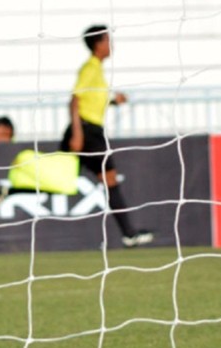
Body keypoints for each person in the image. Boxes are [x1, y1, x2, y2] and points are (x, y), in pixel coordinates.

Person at [61, 25, 153, 247]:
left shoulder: (97, 70)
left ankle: (8, 191)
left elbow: (91, 101)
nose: (111, 44)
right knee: (110, 179)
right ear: (98, 44)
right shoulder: (90, 68)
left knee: (59, 178)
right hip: (87, 132)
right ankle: (129, 234)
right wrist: (77, 134)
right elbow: (75, 100)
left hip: (88, 129)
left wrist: (113, 102)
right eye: (107, 40)